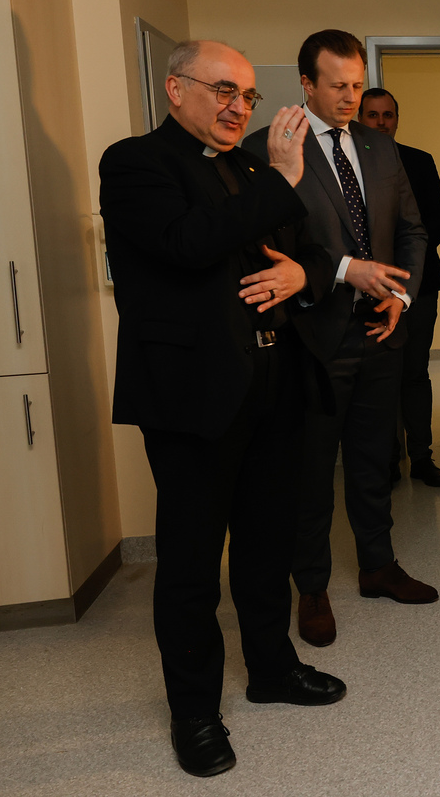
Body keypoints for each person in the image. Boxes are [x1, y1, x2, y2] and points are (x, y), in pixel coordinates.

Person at [100, 40, 346, 777]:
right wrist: (284, 179)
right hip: (193, 395)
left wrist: (302, 275)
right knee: (191, 564)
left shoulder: (253, 172)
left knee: (268, 544)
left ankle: (272, 669)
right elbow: (189, 244)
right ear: (176, 89)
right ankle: (195, 712)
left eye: (248, 95)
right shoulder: (136, 163)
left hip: (275, 384)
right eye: (224, 91)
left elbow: (307, 253)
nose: (240, 107)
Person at [245, 30, 437, 651]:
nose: (352, 97)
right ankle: (312, 587)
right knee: (311, 471)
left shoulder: (380, 147)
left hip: (380, 329)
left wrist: (400, 296)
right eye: (338, 86)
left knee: (374, 460)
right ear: (306, 84)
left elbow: (412, 231)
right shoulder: (270, 147)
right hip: (311, 335)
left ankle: (379, 565)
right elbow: (266, 243)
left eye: (357, 85)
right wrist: (344, 270)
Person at [358, 87, 440, 489]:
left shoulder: (419, 161)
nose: (381, 122)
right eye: (373, 115)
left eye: (388, 115)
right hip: (369, 287)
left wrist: (404, 271)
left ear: (397, 119)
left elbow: (438, 222)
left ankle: (422, 457)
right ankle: (388, 459)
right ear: (360, 119)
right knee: (381, 377)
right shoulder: (349, 164)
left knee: (415, 372)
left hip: (419, 286)